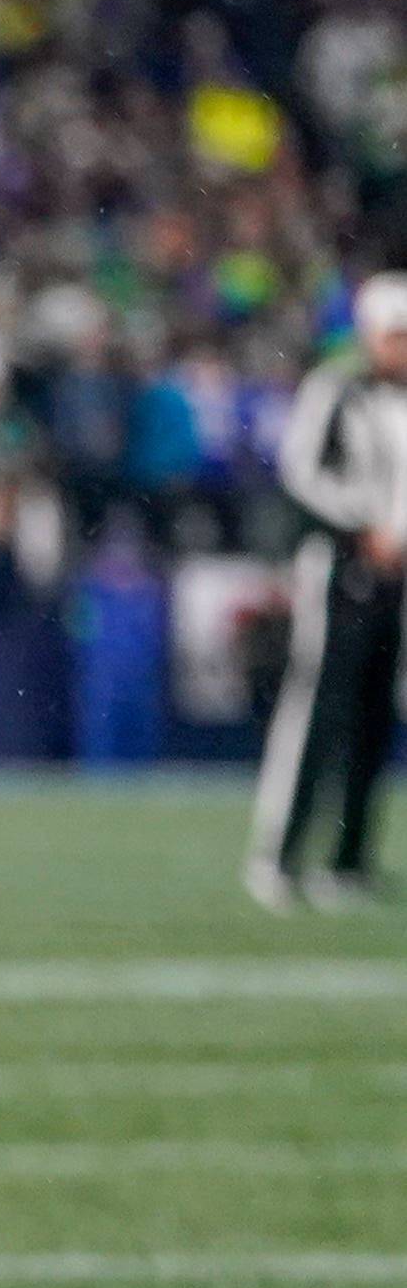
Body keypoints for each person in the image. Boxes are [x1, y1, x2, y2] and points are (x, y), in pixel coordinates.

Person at [250, 272, 407, 911]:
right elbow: (300, 472)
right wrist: (362, 522)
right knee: (318, 709)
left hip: (396, 577)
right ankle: (280, 856)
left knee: (375, 717)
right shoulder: (336, 389)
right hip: (340, 569)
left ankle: (347, 863)